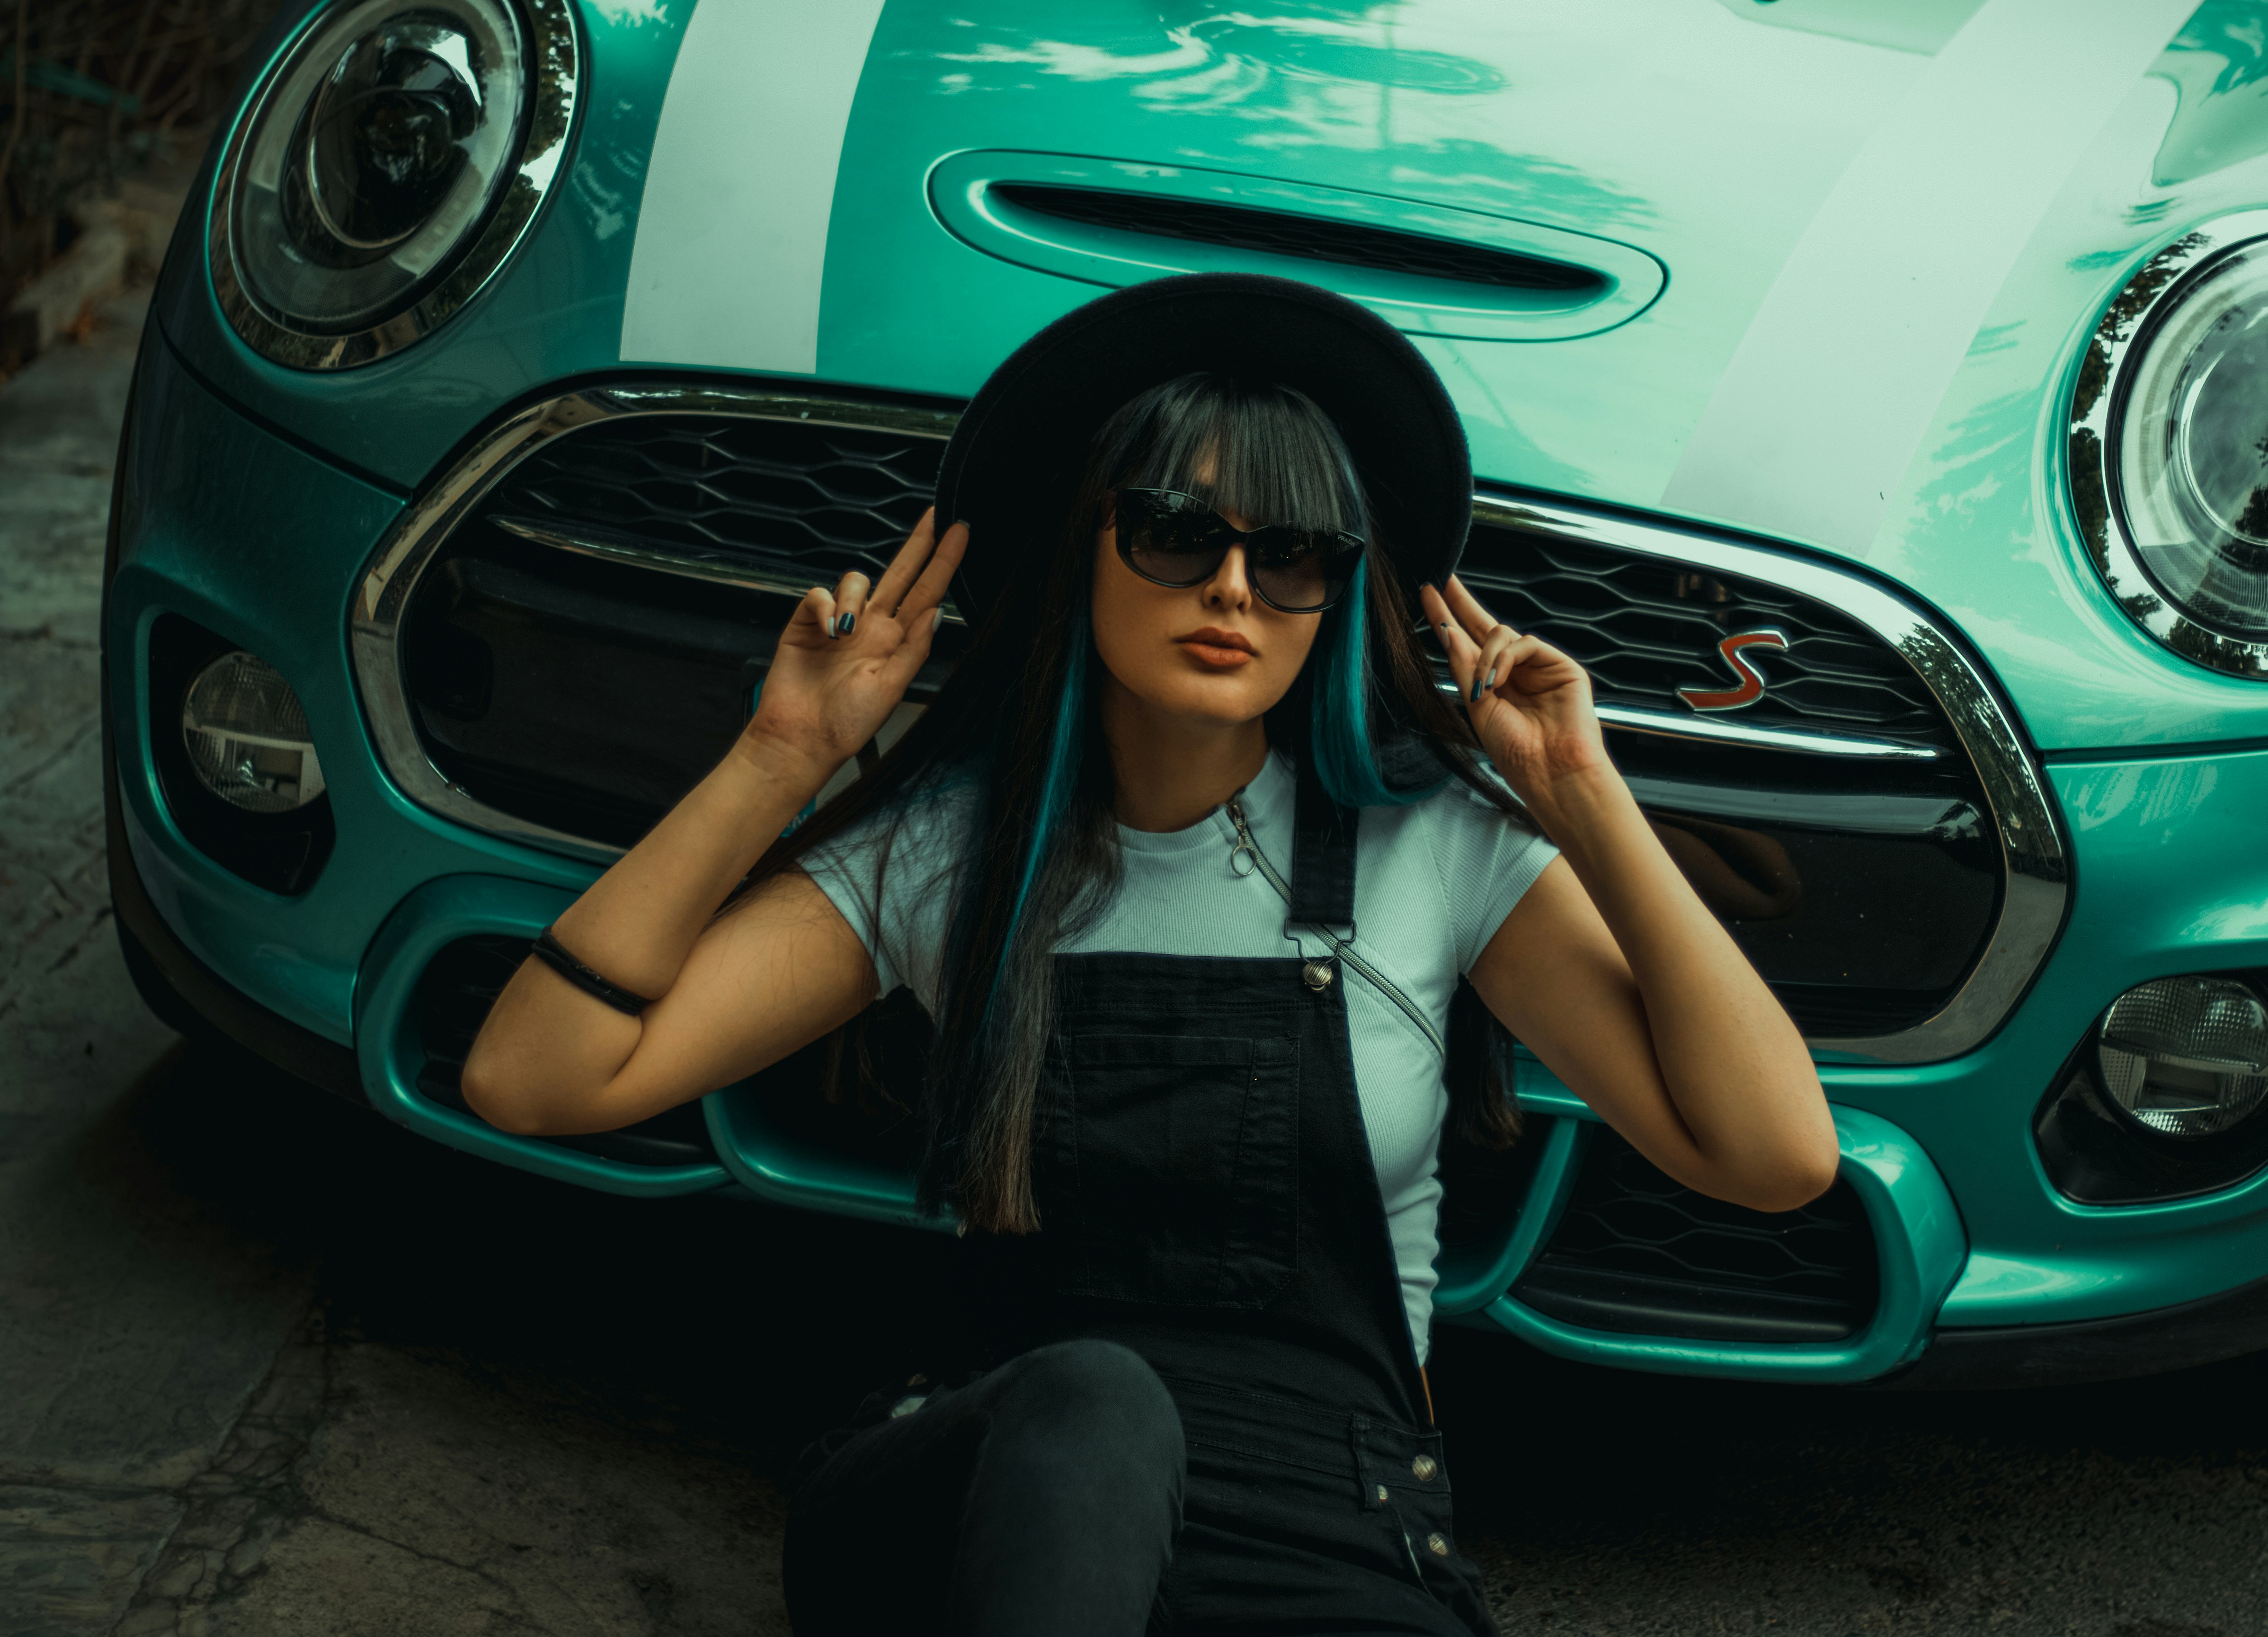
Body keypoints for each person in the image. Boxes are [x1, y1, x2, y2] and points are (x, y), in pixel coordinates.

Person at [460, 274, 1838, 1635]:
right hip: (992, 1496)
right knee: (1100, 1399)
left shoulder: (1437, 851)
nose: (1233, 587)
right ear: (1086, 547)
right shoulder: (954, 854)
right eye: (1176, 531)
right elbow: (536, 1080)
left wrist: (1585, 799)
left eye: (1292, 553)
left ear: (1334, 597)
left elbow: (1774, 1157)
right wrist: (779, 759)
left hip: (1326, 1520)